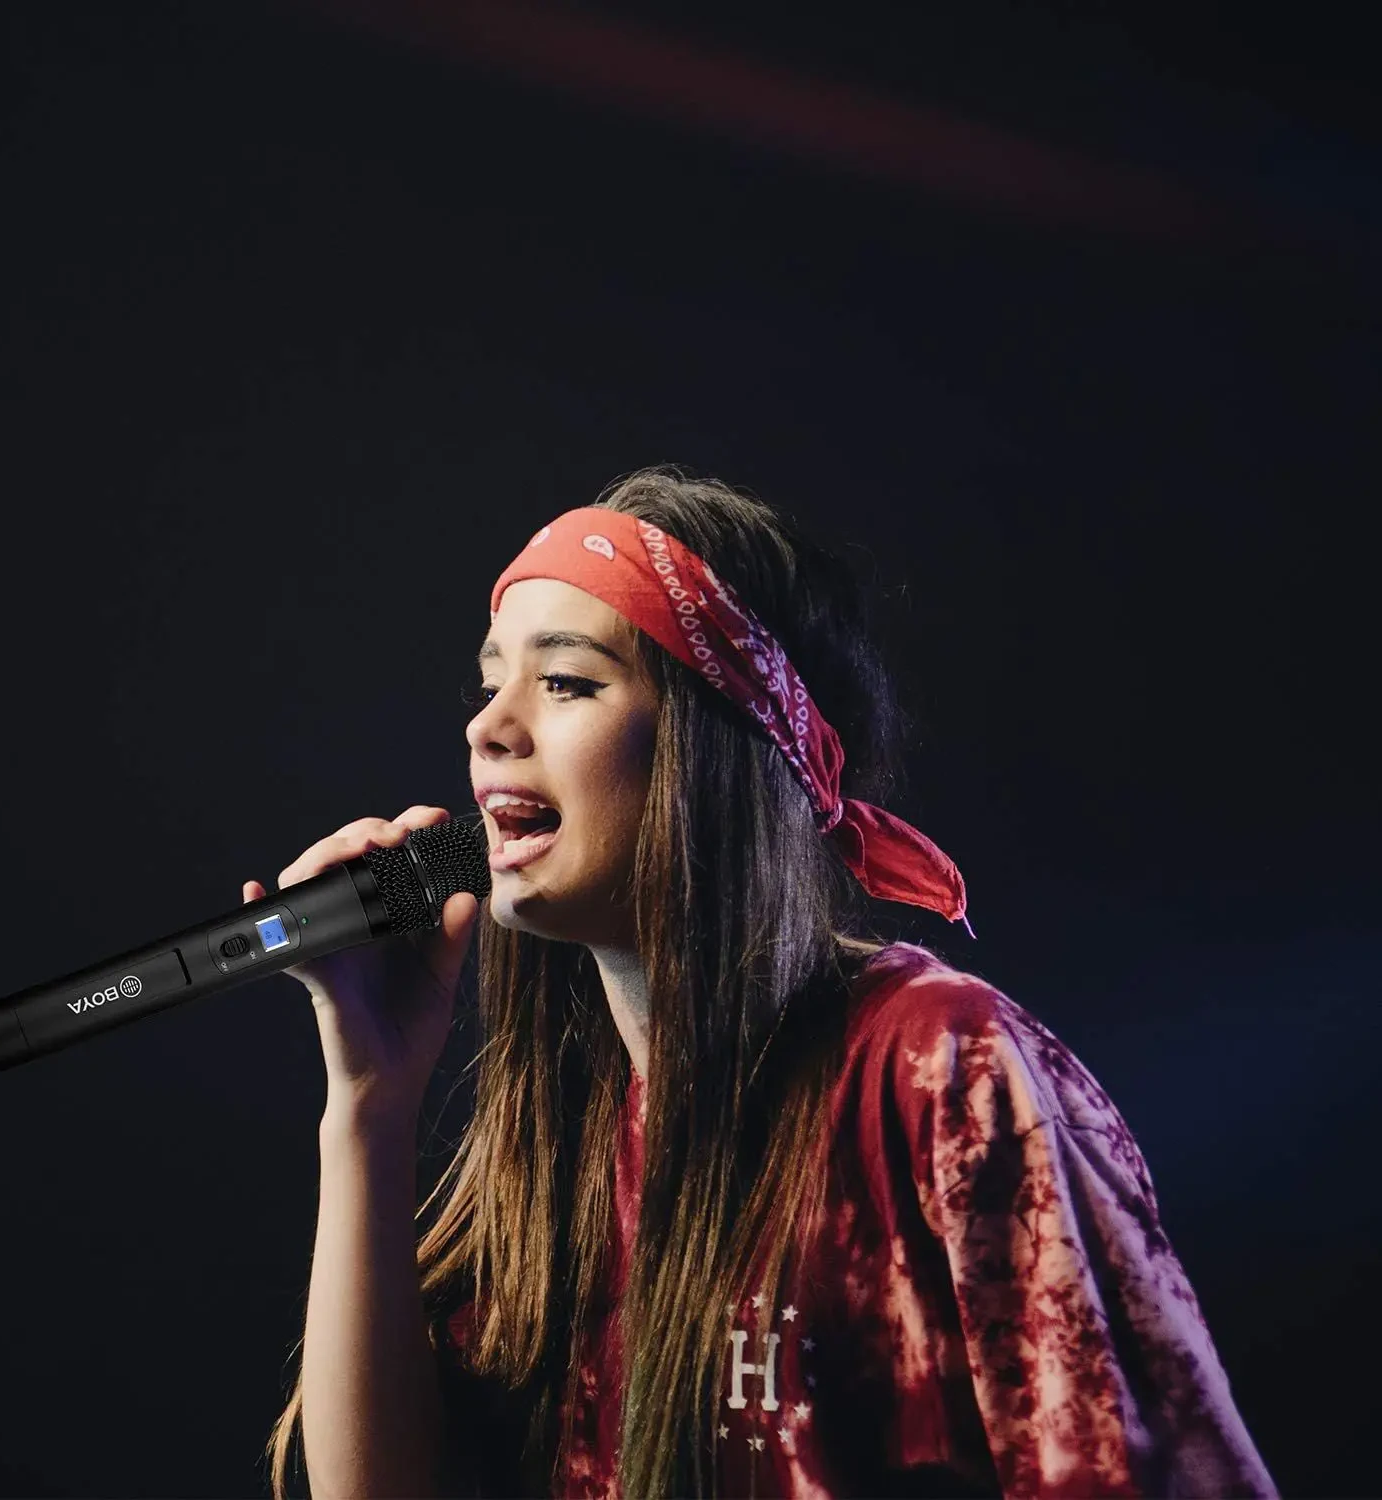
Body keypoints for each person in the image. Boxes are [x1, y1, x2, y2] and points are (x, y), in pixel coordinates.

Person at [257, 467, 1277, 1499]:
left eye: (565, 681)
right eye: (490, 684)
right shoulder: (564, 1125)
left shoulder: (938, 1069)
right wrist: (370, 1102)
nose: (489, 728)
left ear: (723, 740)